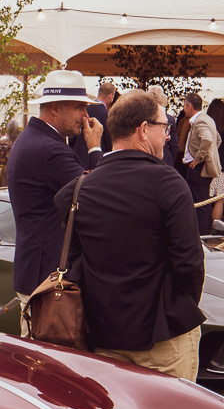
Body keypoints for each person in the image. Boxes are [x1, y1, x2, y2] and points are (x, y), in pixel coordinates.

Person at [53, 89, 205, 379]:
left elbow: (76, 259)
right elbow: (189, 265)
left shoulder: (81, 189)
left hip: (103, 333)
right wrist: (176, 309)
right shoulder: (169, 184)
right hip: (161, 337)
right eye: (165, 127)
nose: (169, 135)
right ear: (144, 130)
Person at [9, 69, 103, 332]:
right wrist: (95, 148)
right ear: (54, 108)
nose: (86, 115)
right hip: (47, 280)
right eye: (79, 107)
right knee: (46, 367)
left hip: (39, 275)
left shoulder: (36, 140)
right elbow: (99, 196)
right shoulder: (49, 149)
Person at [182, 92, 222, 234]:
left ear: (190, 106)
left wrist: (199, 158)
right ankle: (201, 235)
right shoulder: (207, 119)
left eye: (184, 105)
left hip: (198, 169)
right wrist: (208, 155)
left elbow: (208, 140)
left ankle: (201, 236)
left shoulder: (199, 121)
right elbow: (217, 139)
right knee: (202, 202)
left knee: (200, 204)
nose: (183, 109)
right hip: (202, 167)